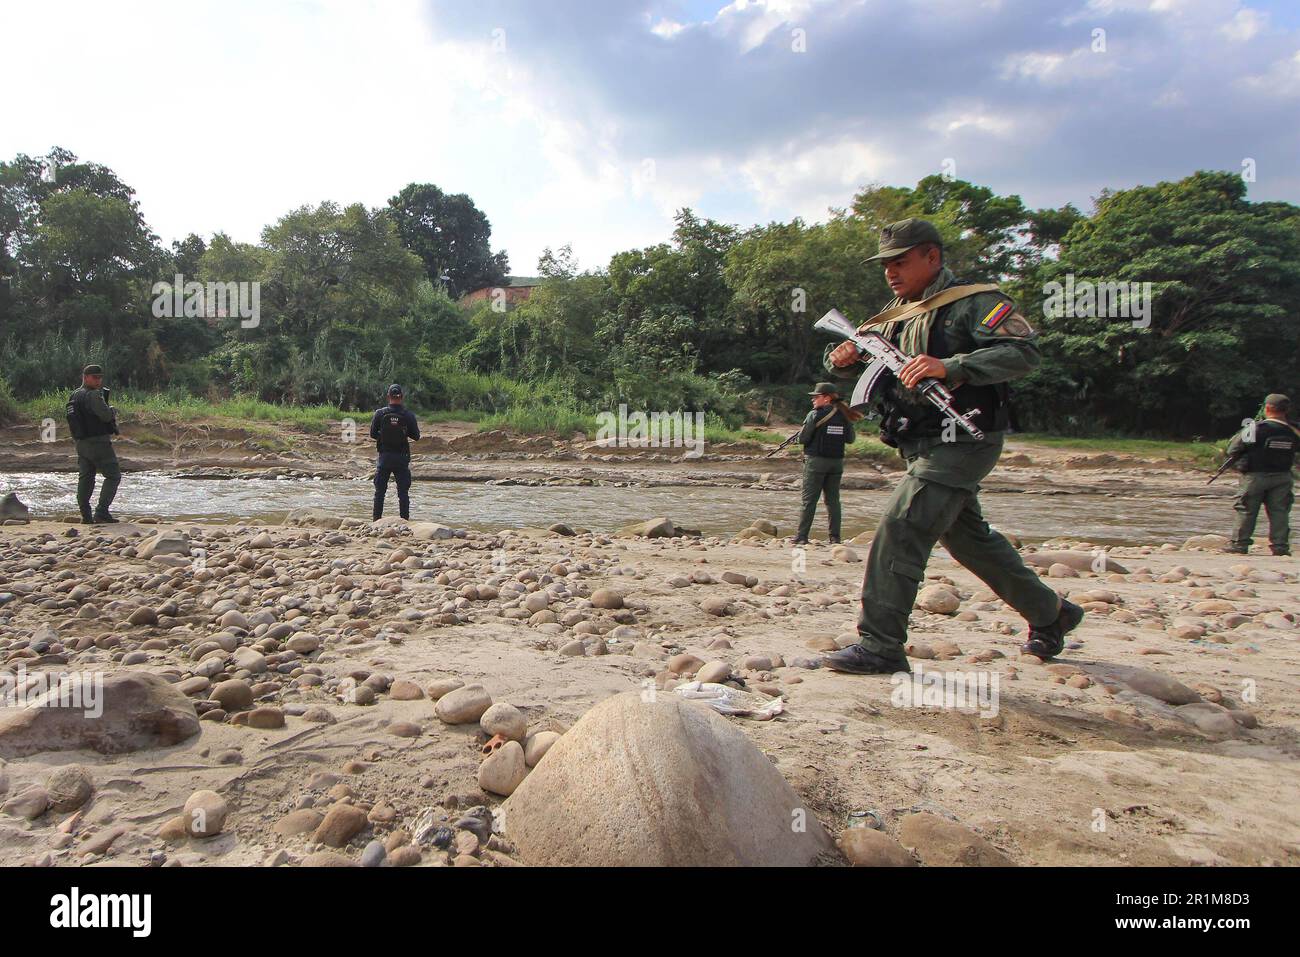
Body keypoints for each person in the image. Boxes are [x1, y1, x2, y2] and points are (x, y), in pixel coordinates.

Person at [819, 218, 1083, 674]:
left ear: (932, 257)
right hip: (919, 440)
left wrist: (950, 366)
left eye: (900, 262)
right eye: (885, 265)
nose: (890, 273)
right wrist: (843, 359)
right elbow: (857, 363)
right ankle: (1051, 613)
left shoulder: (975, 303)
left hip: (964, 438)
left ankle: (880, 646)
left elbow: (1024, 354)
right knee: (969, 540)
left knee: (902, 527)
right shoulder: (895, 312)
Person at [1225, 393, 1296, 556]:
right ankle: (1280, 547)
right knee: (1280, 511)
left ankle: (1239, 544)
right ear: (1286, 410)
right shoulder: (1294, 430)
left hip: (1255, 477)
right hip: (1283, 476)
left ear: (1268, 408)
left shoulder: (1255, 428)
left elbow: (1232, 449)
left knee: (1246, 510)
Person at [794, 383, 859, 544]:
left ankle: (802, 537)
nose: (813, 400)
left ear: (827, 398)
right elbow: (850, 439)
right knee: (833, 501)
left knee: (809, 500)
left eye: (816, 397)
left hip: (816, 462)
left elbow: (803, 439)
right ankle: (835, 537)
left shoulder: (815, 414)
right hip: (836, 463)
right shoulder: (844, 415)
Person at [65, 363, 121, 524]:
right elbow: (105, 416)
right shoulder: (94, 395)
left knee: (86, 478)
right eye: (95, 377)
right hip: (98, 443)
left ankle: (86, 516)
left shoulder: (74, 395)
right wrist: (112, 410)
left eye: (100, 377)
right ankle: (102, 512)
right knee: (113, 475)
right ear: (85, 377)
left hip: (81, 443)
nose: (98, 381)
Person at [369, 384, 420, 520]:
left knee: (380, 492)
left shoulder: (380, 413)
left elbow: (373, 434)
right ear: (402, 397)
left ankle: (376, 521)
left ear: (388, 397)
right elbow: (416, 436)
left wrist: (384, 435)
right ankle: (404, 522)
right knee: (403, 493)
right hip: (402, 458)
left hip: (384, 457)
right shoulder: (408, 415)